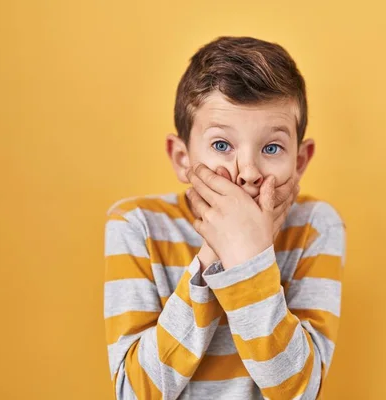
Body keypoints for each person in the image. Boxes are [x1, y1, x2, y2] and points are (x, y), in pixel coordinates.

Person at [104, 36, 345, 400]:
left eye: (271, 147)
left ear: (299, 162)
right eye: (221, 145)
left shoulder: (316, 226)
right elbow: (135, 393)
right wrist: (217, 253)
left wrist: (250, 261)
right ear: (182, 158)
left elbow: (298, 391)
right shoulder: (135, 224)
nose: (248, 171)